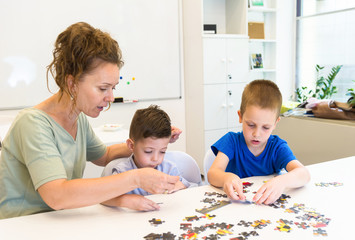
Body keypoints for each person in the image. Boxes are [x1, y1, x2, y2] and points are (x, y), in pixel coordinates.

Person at [0, 22, 182, 219]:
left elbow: (104, 155)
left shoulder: (78, 118)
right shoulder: (33, 123)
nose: (111, 97)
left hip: (61, 219)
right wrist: (136, 178)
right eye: (103, 88)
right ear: (72, 83)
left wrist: (146, 143)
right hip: (22, 225)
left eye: (113, 88)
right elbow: (57, 195)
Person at [207, 80, 310, 205]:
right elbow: (212, 173)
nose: (257, 134)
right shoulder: (231, 141)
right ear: (240, 116)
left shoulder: (277, 147)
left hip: (266, 207)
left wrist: (282, 181)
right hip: (236, 206)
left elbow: (304, 174)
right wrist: (226, 178)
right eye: (251, 125)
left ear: (276, 123)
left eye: (266, 127)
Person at [102, 105, 195, 211]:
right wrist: (127, 200)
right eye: (148, 151)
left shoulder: (169, 169)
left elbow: (192, 188)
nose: (156, 159)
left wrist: (180, 185)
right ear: (131, 146)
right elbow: (102, 197)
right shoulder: (121, 171)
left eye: (162, 151)